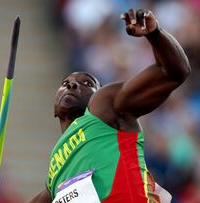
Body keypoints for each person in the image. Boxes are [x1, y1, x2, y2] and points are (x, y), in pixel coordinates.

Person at [29, 8, 190, 203]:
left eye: (87, 83)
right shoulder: (55, 170)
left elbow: (173, 72)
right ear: (54, 109)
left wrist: (155, 34)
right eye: (65, 83)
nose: (71, 84)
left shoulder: (103, 109)